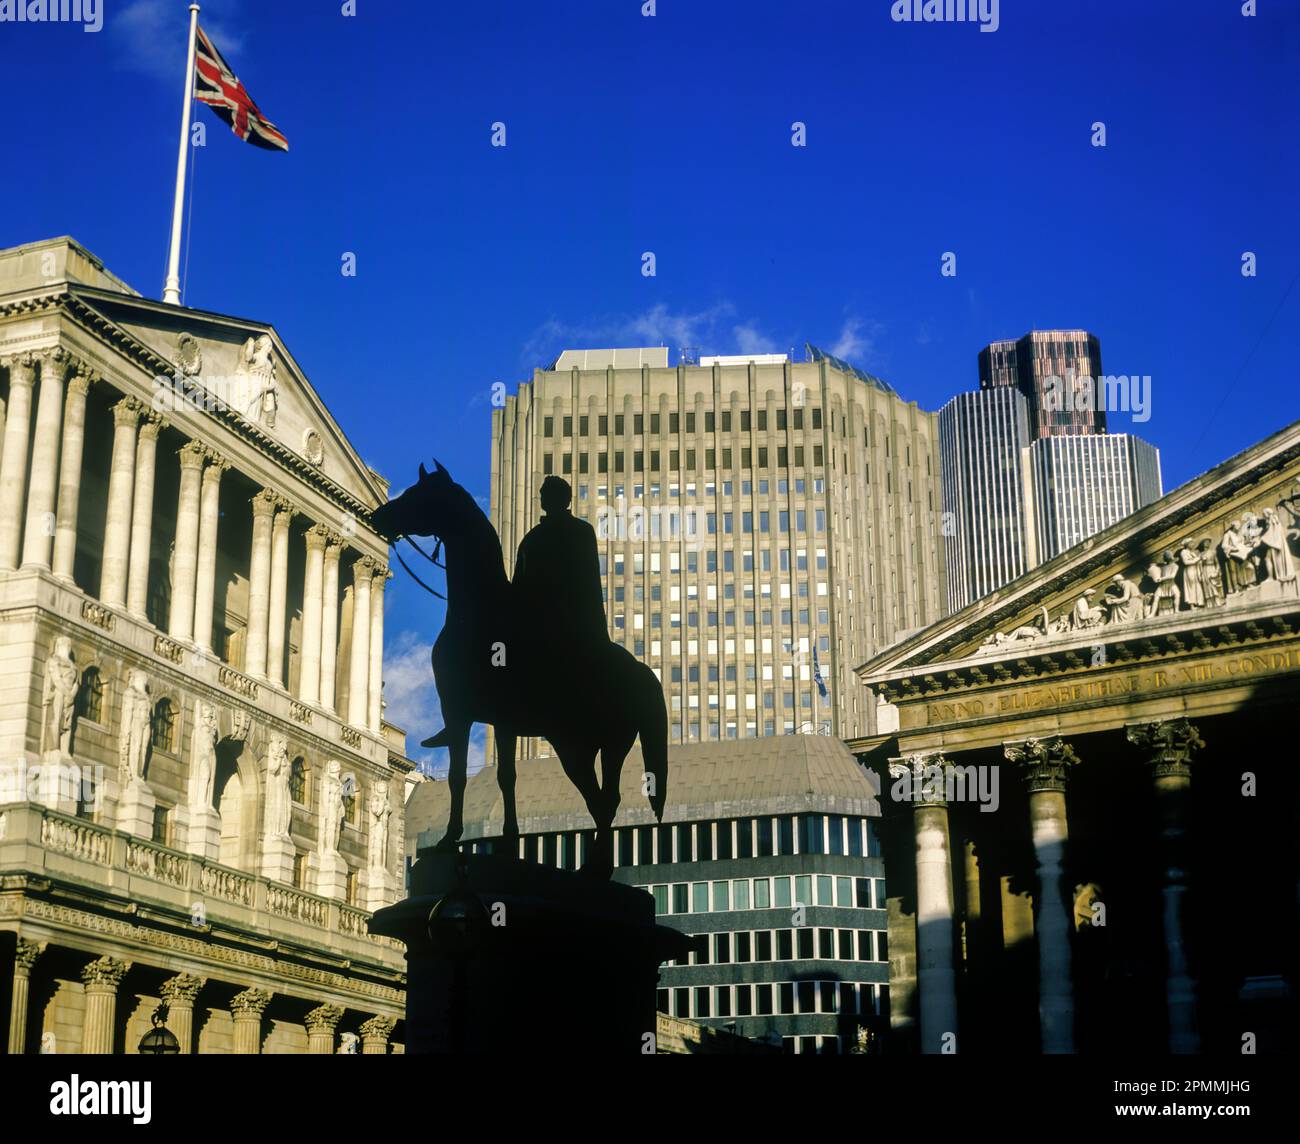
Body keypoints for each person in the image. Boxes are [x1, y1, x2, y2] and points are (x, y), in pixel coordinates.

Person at [512, 476, 609, 680]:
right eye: (542, 493)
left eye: (546, 493)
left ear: (562, 499)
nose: (541, 497)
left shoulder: (580, 531)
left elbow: (589, 581)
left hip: (569, 620)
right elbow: (517, 586)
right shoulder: (531, 538)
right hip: (537, 621)